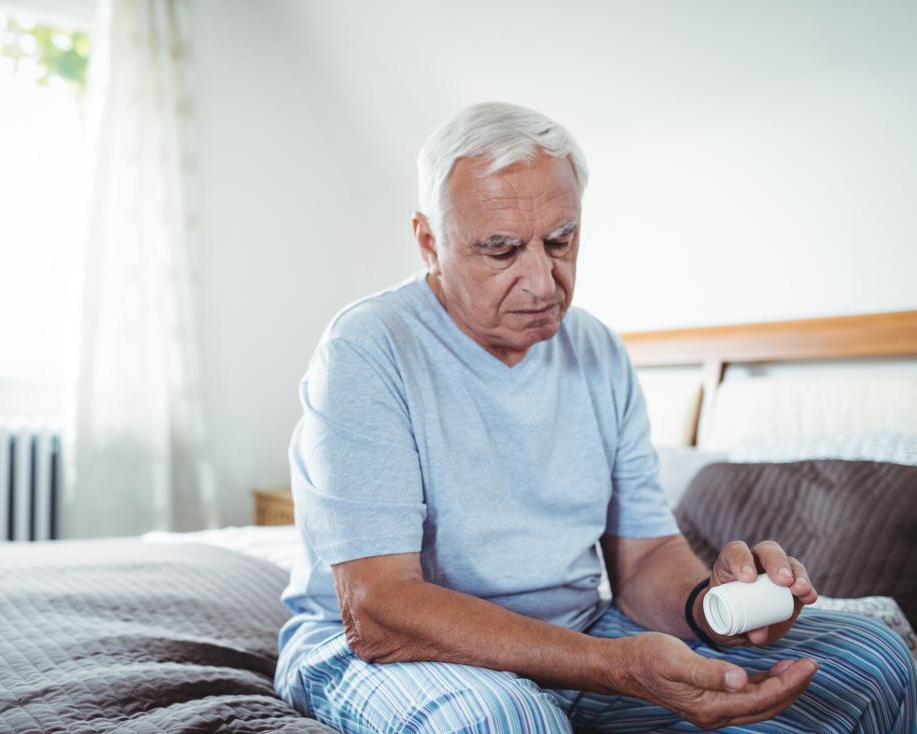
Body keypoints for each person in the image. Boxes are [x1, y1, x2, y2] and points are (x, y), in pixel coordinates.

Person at [272, 101, 916, 733]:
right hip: (379, 647)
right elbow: (380, 609)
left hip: (579, 632)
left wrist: (712, 608)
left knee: (874, 658)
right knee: (507, 720)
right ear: (429, 242)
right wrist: (612, 666)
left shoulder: (600, 350)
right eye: (499, 251)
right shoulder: (366, 348)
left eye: (560, 240)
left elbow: (642, 560)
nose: (543, 283)